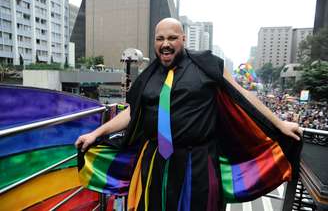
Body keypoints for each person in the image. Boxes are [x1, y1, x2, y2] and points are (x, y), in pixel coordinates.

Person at [75, 18, 302, 211]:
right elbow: (133, 113)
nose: (165, 44)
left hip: (199, 160)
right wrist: (97, 133)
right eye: (160, 39)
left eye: (172, 38)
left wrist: (280, 124)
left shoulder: (207, 65)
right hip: (155, 161)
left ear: (183, 39)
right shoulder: (147, 77)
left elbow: (242, 95)